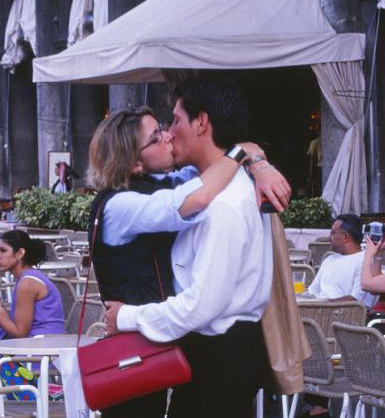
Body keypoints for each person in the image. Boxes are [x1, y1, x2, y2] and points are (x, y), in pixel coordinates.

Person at [105, 75, 290, 418]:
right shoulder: (215, 184)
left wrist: (127, 316)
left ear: (202, 122)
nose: (169, 132)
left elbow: (199, 307)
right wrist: (253, 156)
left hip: (221, 359)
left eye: (174, 120)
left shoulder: (223, 204)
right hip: (213, 356)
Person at [0, 230, 64, 338]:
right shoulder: (26, 278)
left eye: (3, 251)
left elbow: (19, 333)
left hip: (42, 348)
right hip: (39, 343)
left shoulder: (27, 283)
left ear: (20, 254)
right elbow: (14, 324)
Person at [306, 214, 374, 307]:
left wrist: (323, 304)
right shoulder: (329, 260)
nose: (329, 238)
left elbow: (356, 301)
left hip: (343, 316)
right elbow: (312, 291)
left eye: (333, 233)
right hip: (318, 311)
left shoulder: (365, 261)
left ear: (345, 237)